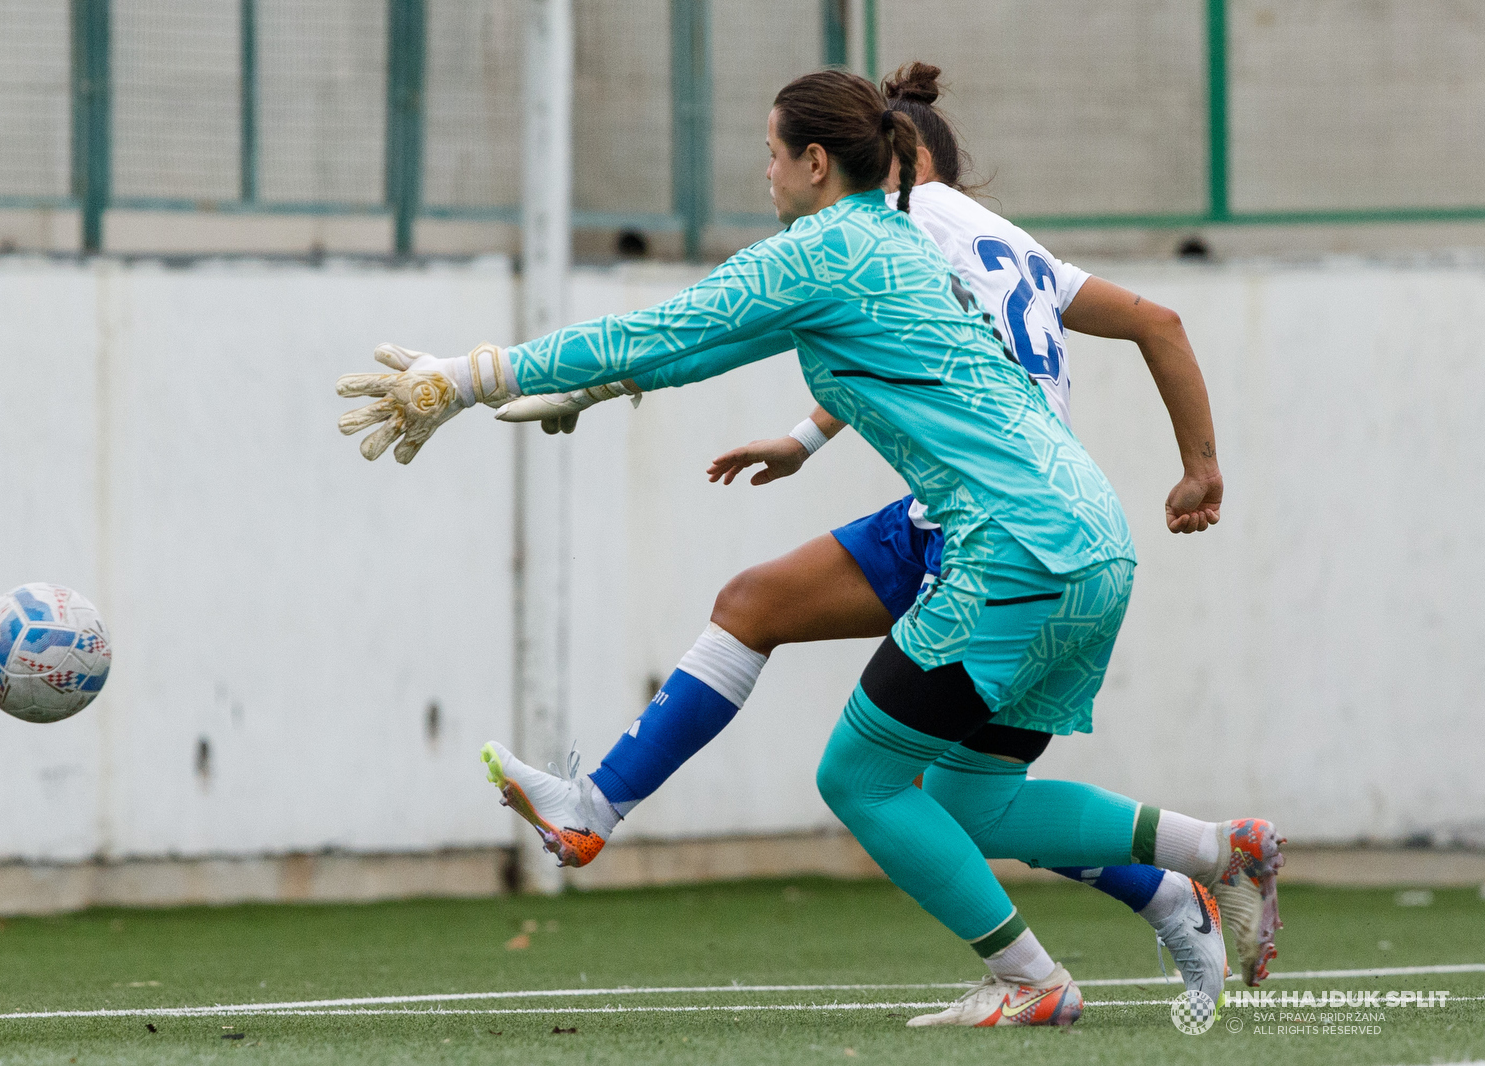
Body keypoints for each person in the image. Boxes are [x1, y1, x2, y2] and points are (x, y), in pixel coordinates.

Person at [335, 69, 1281, 1028]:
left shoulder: (822, 250)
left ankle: (1034, 982)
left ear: (816, 162)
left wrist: (469, 377)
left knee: (858, 777)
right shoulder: (901, 243)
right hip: (1094, 540)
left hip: (1008, 547)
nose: (766, 172)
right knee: (977, 797)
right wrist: (577, 389)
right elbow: (693, 347)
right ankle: (1214, 853)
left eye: (771, 152)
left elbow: (657, 331)